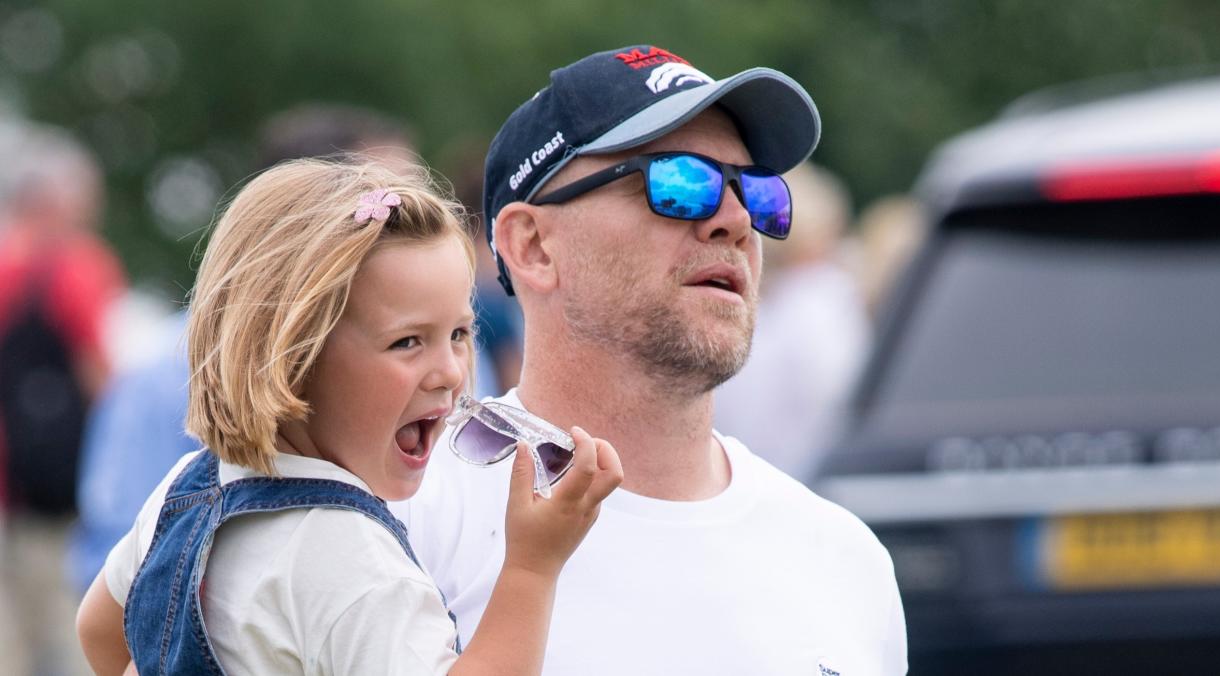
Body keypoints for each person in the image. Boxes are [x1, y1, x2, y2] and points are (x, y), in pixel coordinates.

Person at [394, 44, 908, 675]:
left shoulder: (846, 560)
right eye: (679, 182)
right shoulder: (408, 514)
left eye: (757, 191)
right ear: (532, 247)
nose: (735, 219)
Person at [75, 158, 623, 675]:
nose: (451, 372)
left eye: (458, 334)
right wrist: (532, 567)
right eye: (408, 342)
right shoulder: (349, 559)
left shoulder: (185, 489)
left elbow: (101, 631)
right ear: (293, 360)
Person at [0, 123, 123, 676]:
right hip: (55, 486)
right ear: (56, 197)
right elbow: (102, 379)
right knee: (63, 632)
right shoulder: (78, 265)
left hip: (9, 480)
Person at [713, 161, 872, 483]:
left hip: (747, 477)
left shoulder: (750, 306)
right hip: (815, 478)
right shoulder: (823, 298)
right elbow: (844, 394)